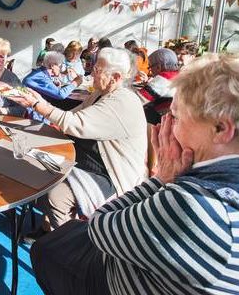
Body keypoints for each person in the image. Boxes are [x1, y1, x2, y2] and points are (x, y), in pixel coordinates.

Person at [30, 53, 239, 295]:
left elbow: (99, 228)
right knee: (64, 234)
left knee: (45, 251)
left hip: (110, 276)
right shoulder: (208, 189)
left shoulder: (198, 205)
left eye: (177, 117)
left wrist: (161, 178)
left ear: (221, 129)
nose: (166, 125)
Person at [13, 48, 147, 229]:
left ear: (115, 77)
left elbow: (75, 123)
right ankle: (49, 229)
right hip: (88, 161)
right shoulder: (101, 93)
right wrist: (45, 114)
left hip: (110, 175)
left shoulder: (122, 101)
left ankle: (69, 240)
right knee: (38, 169)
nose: (91, 73)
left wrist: (39, 105)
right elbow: (74, 113)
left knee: (55, 196)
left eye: (97, 70)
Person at [139, 48, 180, 124]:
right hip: (174, 118)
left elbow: (139, 99)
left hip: (165, 121)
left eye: (150, 67)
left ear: (158, 67)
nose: (150, 71)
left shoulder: (165, 77)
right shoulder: (176, 74)